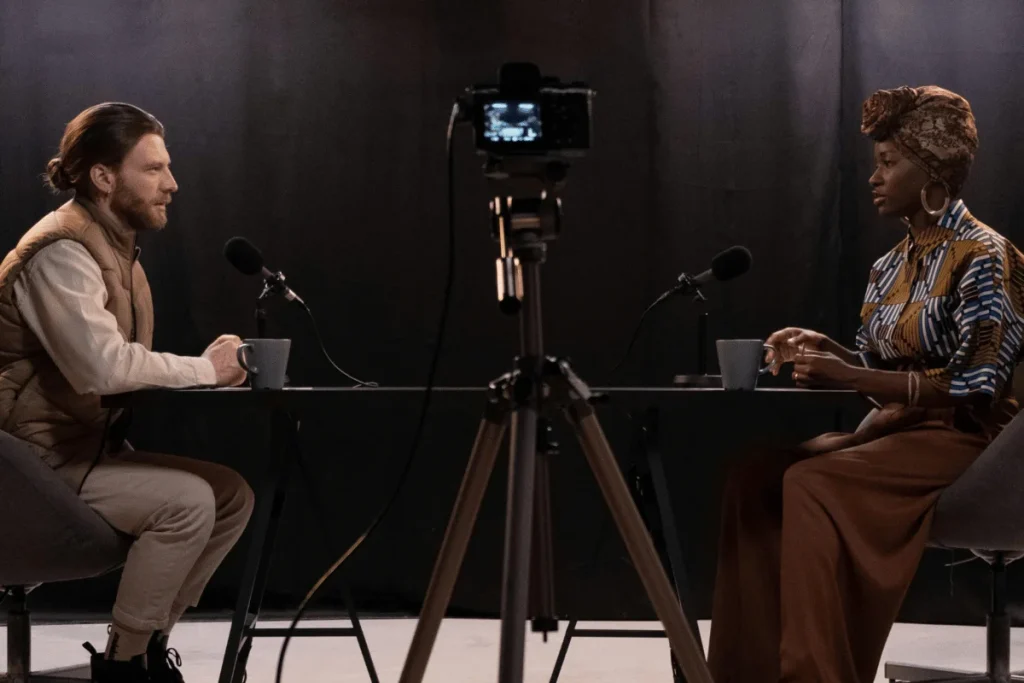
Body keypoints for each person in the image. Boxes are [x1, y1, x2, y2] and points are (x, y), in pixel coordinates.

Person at [705, 86, 1024, 683]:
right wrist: (831, 352)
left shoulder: (985, 255)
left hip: (979, 446)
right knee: (754, 477)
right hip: (899, 433)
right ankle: (742, 675)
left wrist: (852, 373)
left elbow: (977, 386)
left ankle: (816, 674)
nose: (874, 177)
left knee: (812, 481)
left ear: (932, 172)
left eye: (888, 162)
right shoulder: (889, 266)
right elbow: (885, 380)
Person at [0, 103, 255, 683]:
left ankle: (143, 643)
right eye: (153, 169)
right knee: (186, 503)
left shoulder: (117, 251)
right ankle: (122, 668)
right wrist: (206, 370)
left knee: (231, 496)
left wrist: (209, 370)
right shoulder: (61, 251)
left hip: (81, 451)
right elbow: (102, 369)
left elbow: (117, 373)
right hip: (28, 467)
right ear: (103, 176)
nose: (171, 184)